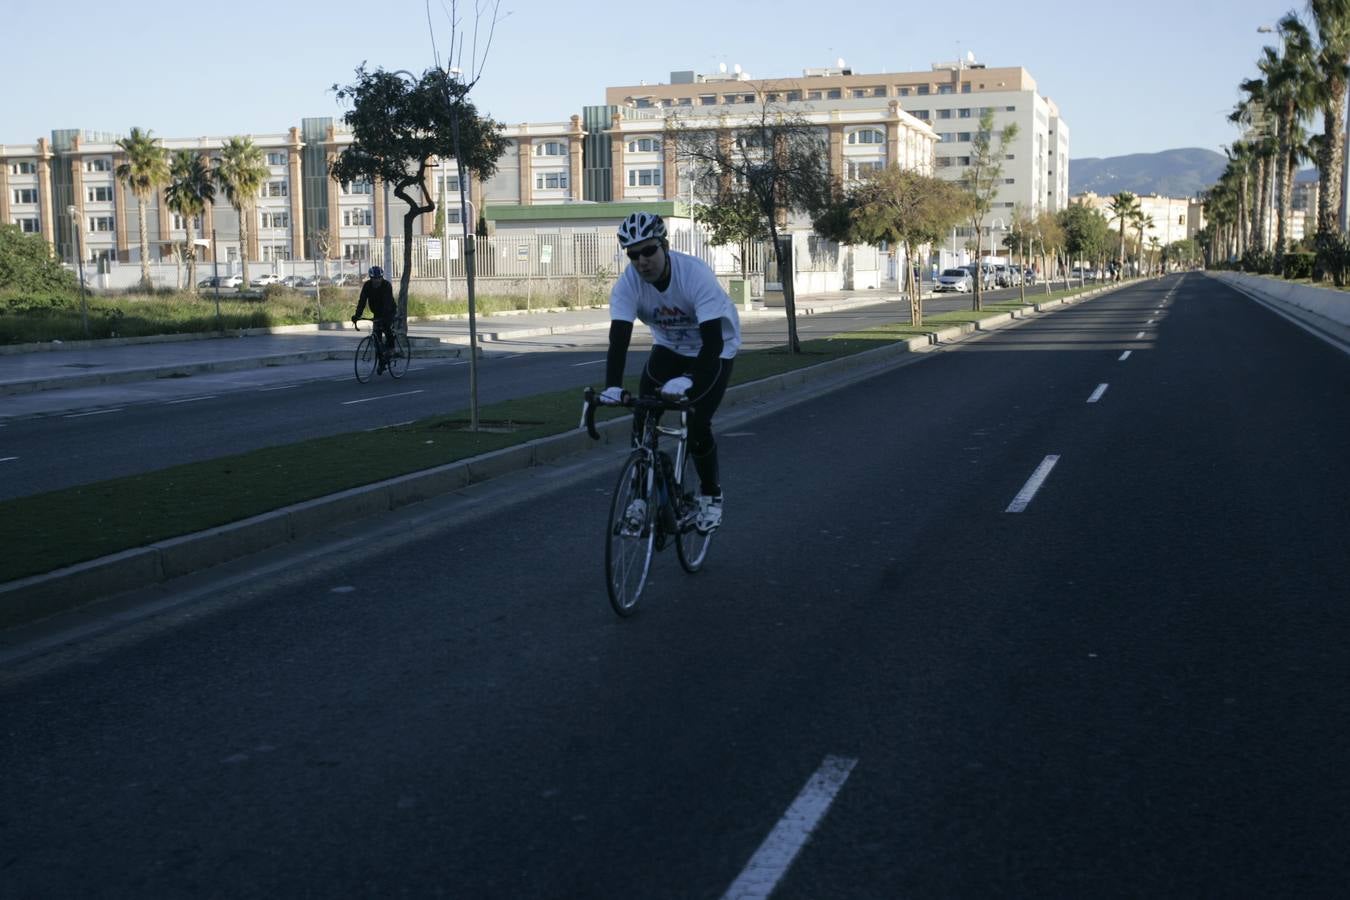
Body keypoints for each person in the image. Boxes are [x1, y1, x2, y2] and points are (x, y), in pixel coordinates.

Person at [597, 212, 741, 534]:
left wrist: (690, 379)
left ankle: (711, 495)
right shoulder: (628, 284)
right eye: (633, 255)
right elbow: (619, 339)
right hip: (669, 348)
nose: (642, 261)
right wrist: (612, 386)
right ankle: (639, 497)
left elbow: (713, 342)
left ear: (664, 245)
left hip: (714, 350)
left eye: (649, 251)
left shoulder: (694, 275)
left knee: (697, 422)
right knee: (643, 415)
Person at [352, 266, 396, 372]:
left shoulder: (386, 285)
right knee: (377, 339)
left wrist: (384, 318)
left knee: (387, 328)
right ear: (371, 278)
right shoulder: (367, 286)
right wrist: (357, 316)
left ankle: (391, 349)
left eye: (379, 278)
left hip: (389, 311)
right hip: (377, 312)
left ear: (382, 277)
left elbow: (387, 303)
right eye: (374, 278)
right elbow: (362, 301)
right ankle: (381, 362)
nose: (377, 280)